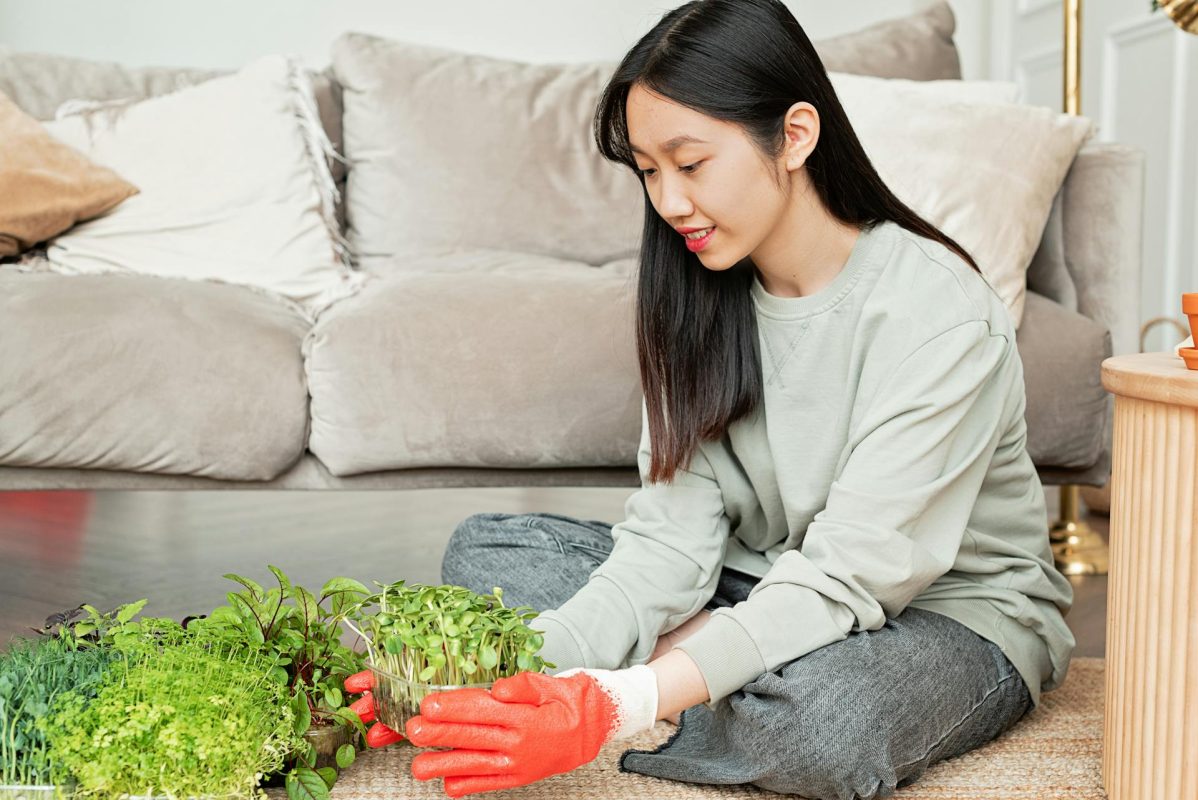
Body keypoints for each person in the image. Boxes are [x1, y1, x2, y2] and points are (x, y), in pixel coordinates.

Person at [344, 0, 1076, 797]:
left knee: (823, 727)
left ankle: (693, 669)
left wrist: (611, 701)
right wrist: (484, 677)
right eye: (649, 171)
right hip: (760, 580)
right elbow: (667, 542)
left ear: (795, 135)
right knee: (489, 554)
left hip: (945, 616)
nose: (669, 203)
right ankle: (719, 664)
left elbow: (853, 572)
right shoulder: (698, 290)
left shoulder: (938, 312)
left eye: (690, 165)